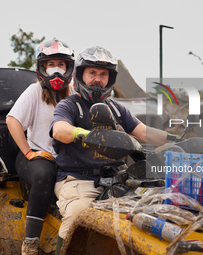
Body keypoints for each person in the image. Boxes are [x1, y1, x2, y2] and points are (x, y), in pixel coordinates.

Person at [50, 46, 176, 253]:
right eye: (92, 73)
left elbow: (144, 132)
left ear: (110, 79)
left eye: (103, 74)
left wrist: (176, 139)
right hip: (78, 180)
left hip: (119, 178)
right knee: (77, 214)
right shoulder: (70, 105)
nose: (97, 79)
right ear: (80, 76)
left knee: (154, 207)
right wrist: (85, 135)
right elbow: (59, 129)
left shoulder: (117, 108)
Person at [6, 38, 75, 255]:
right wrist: (28, 151)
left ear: (68, 68)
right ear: (42, 67)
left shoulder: (73, 94)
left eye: (61, 65)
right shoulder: (34, 91)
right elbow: (12, 120)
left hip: (62, 158)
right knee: (45, 175)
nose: (56, 70)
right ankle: (31, 242)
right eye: (51, 64)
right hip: (34, 155)